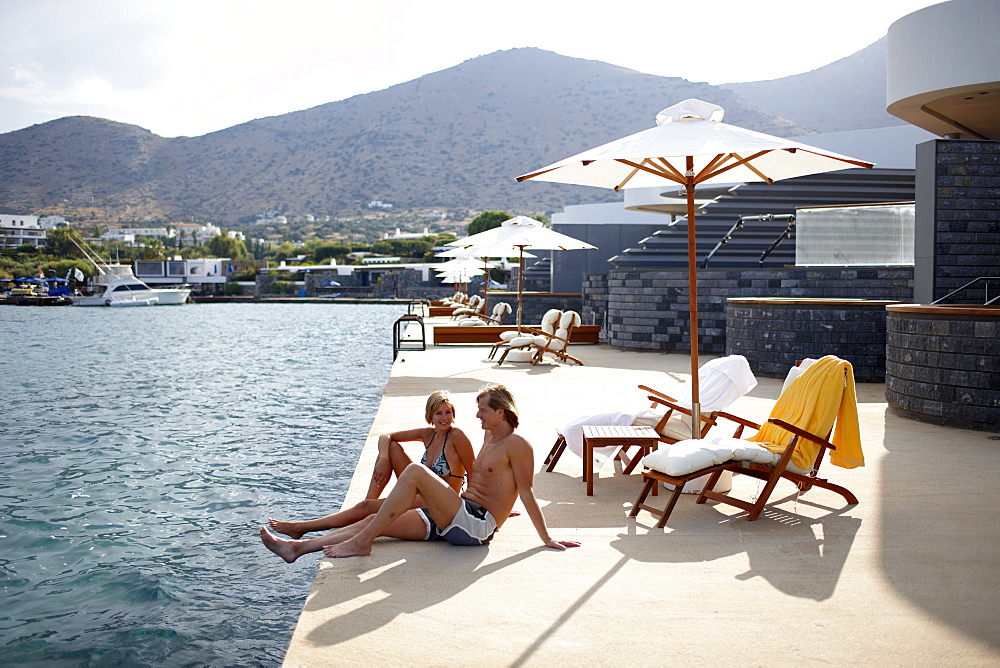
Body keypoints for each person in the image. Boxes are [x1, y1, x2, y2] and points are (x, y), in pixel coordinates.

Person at [260, 384, 579, 561]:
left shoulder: (518, 444)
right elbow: (486, 481)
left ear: (500, 412)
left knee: (413, 472)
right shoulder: (489, 435)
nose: (477, 415)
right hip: (453, 517)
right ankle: (297, 547)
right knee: (375, 518)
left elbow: (525, 491)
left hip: (476, 525)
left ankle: (361, 543)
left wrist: (546, 537)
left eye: (482, 409)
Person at [267, 390, 474, 539]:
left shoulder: (457, 437)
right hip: (420, 492)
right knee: (391, 447)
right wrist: (384, 458)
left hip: (438, 502)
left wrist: (480, 506)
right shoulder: (428, 434)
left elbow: (473, 471)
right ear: (430, 415)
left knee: (366, 508)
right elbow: (386, 436)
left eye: (448, 412)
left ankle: (302, 527)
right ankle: (368, 504)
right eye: (439, 413)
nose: (444, 418)